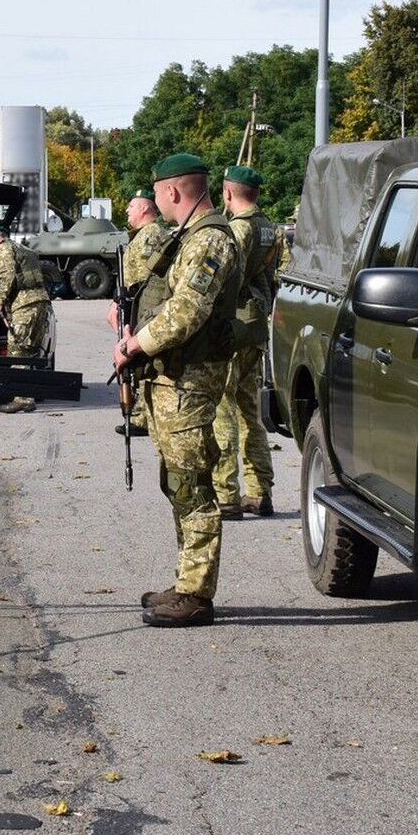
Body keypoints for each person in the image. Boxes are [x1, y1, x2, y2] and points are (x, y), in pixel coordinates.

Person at [111, 153, 241, 628]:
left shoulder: (210, 240)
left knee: (193, 485)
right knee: (178, 481)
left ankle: (196, 594)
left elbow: (187, 310)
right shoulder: (190, 237)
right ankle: (186, 580)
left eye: (158, 194)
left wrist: (134, 346)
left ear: (171, 191)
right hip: (172, 378)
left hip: (190, 380)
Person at [212, 165, 281, 518]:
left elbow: (224, 276)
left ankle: (226, 494)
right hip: (256, 326)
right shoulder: (270, 227)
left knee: (223, 410)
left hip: (235, 325)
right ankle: (259, 490)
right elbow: (273, 276)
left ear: (227, 193)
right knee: (250, 412)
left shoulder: (238, 228)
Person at [112, 189, 166, 438]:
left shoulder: (151, 235)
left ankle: (143, 416)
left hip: (143, 305)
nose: (127, 210)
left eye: (131, 206)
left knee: (141, 357)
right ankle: (140, 412)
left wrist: (125, 302)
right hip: (136, 304)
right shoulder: (142, 235)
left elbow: (146, 277)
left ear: (145, 209)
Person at [0, 225, 53, 413]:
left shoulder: (3, 250)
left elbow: (8, 278)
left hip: (24, 305)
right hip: (40, 302)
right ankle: (30, 393)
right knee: (31, 349)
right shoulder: (24, 249)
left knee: (17, 349)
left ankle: (22, 398)